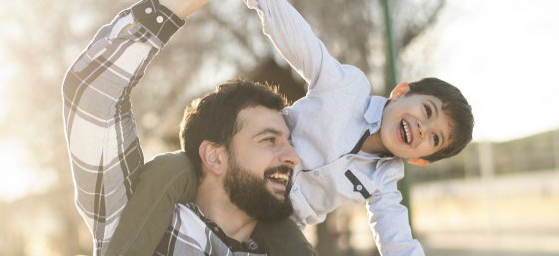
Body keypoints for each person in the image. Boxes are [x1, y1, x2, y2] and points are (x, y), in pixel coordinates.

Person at [108, 0, 475, 255]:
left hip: (276, 212)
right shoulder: (348, 89)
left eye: (434, 138)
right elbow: (303, 46)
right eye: (426, 111)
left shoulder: (383, 184)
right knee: (169, 169)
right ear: (401, 91)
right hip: (237, 168)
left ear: (422, 160)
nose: (423, 128)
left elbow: (397, 240)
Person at [62, 0, 314, 255]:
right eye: (269, 140)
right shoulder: (139, 219)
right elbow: (92, 93)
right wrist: (170, 8)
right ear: (215, 157)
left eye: (289, 142)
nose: (293, 157)